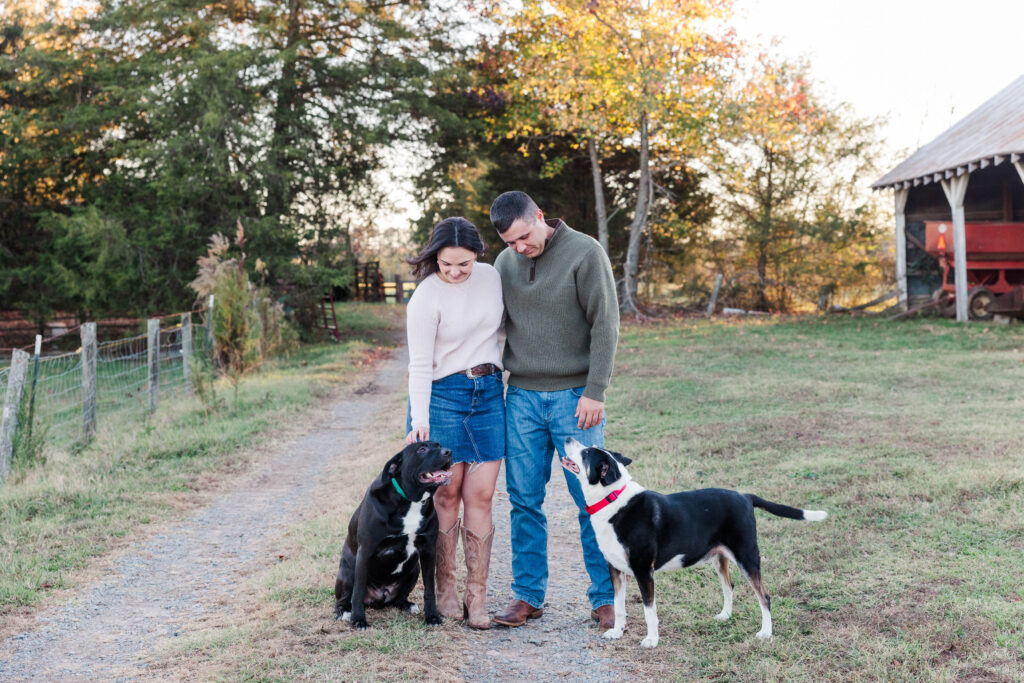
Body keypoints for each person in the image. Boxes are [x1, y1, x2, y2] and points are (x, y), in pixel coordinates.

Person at [488, 191, 620, 629]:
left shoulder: (585, 252)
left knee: (591, 500)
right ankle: (528, 596)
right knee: (524, 501)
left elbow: (606, 321)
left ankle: (605, 597)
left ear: (539, 217)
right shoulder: (505, 265)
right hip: (521, 397)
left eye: (525, 237)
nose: (520, 248)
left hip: (574, 398)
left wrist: (595, 389)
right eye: (510, 243)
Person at [404, 217, 505, 629]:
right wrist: (421, 418)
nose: (455, 272)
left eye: (463, 264)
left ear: (478, 255)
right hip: (443, 396)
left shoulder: (492, 277)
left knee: (480, 497)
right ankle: (444, 587)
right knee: (446, 497)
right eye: (446, 264)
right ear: (435, 257)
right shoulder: (426, 296)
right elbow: (418, 364)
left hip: (488, 395)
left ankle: (476, 597)